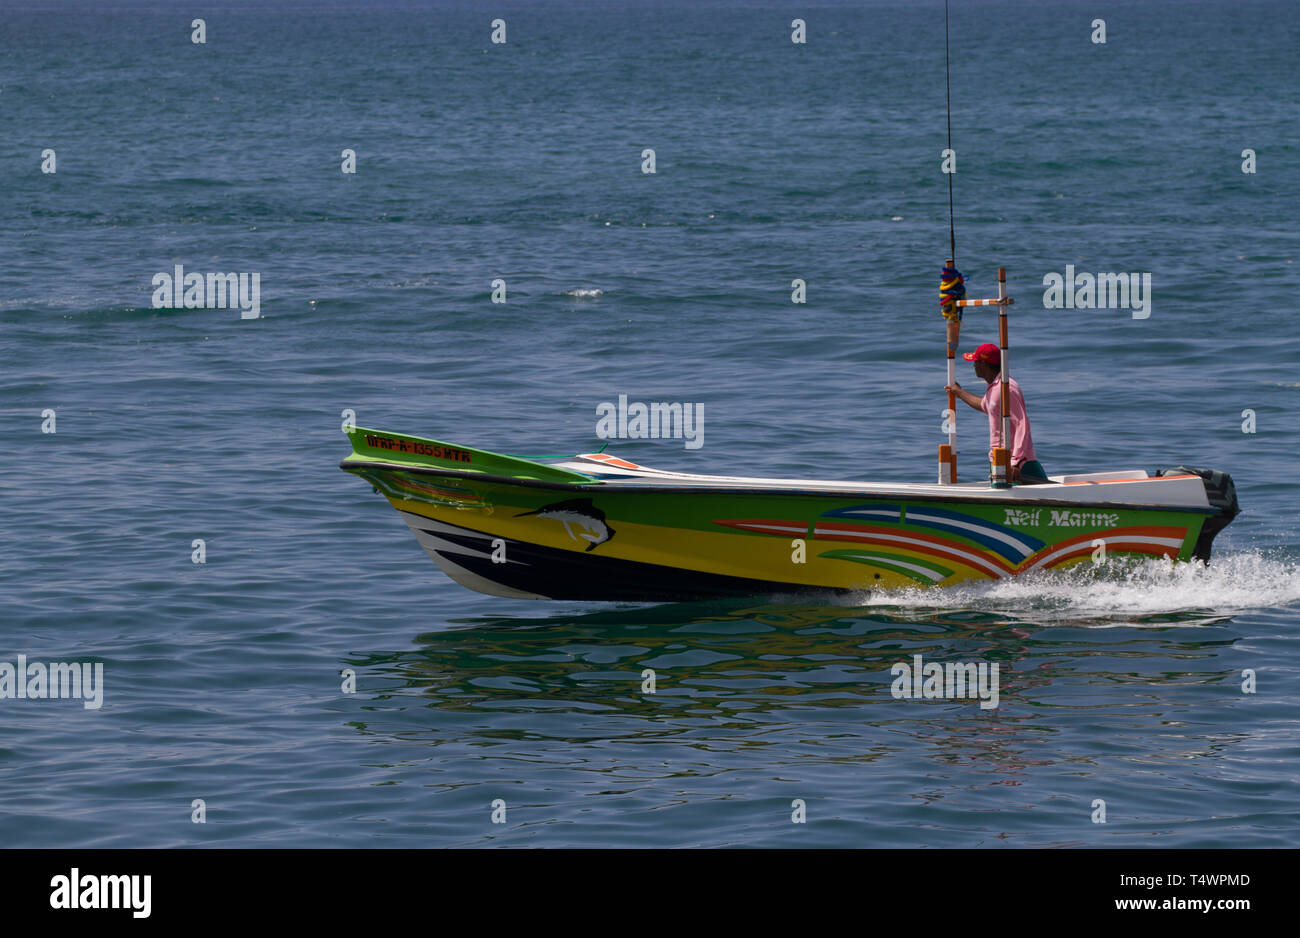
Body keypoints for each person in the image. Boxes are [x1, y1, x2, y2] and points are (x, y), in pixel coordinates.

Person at [945, 343, 1050, 484]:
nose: (973, 365)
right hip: (998, 459)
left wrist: (1015, 462)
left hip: (1017, 464)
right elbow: (985, 405)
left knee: (1046, 496)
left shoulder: (1006, 388)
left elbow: (1021, 424)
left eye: (976, 362)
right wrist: (959, 392)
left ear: (984, 365)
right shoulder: (994, 387)